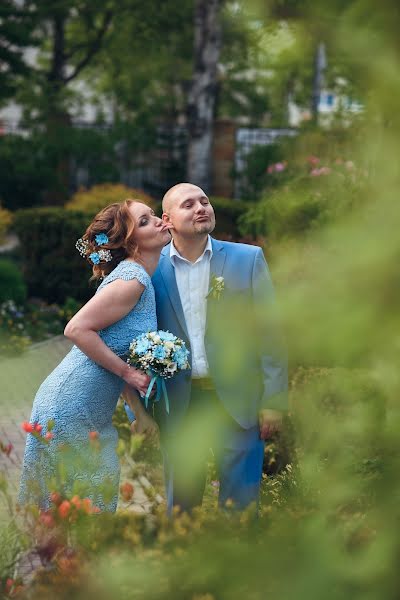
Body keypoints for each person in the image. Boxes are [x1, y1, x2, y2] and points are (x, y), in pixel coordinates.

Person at [125, 182, 288, 513]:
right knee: (181, 506)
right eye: (189, 204)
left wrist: (273, 400)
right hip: (180, 406)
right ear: (167, 220)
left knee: (242, 507)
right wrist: (139, 412)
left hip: (240, 401)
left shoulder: (248, 259)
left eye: (205, 201)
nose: (201, 207)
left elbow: (271, 332)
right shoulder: (147, 274)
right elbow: (130, 342)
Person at [18, 199, 170, 512]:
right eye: (144, 221)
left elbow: (117, 347)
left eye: (152, 215)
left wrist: (140, 415)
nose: (156, 221)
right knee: (84, 506)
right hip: (69, 404)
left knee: (81, 504)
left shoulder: (139, 278)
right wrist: (129, 374)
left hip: (86, 407)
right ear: (130, 243)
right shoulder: (133, 279)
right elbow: (75, 329)